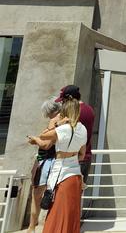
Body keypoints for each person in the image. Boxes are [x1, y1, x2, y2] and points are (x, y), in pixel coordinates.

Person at [28, 97, 87, 233]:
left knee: (56, 213)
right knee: (70, 213)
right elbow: (82, 154)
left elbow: (43, 136)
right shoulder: (82, 129)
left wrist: (56, 124)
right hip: (75, 174)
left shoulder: (63, 128)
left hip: (61, 175)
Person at [27, 99, 61, 233]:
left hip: (47, 162)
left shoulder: (55, 121)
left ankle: (32, 227)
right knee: (50, 196)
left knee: (37, 196)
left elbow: (47, 145)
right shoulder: (63, 119)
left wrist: (35, 139)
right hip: (53, 162)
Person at [55, 85, 95, 183]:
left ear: (70, 98)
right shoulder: (90, 109)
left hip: (72, 161)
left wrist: (57, 125)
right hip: (85, 157)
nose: (62, 104)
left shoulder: (73, 112)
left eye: (63, 101)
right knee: (76, 195)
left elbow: (64, 134)